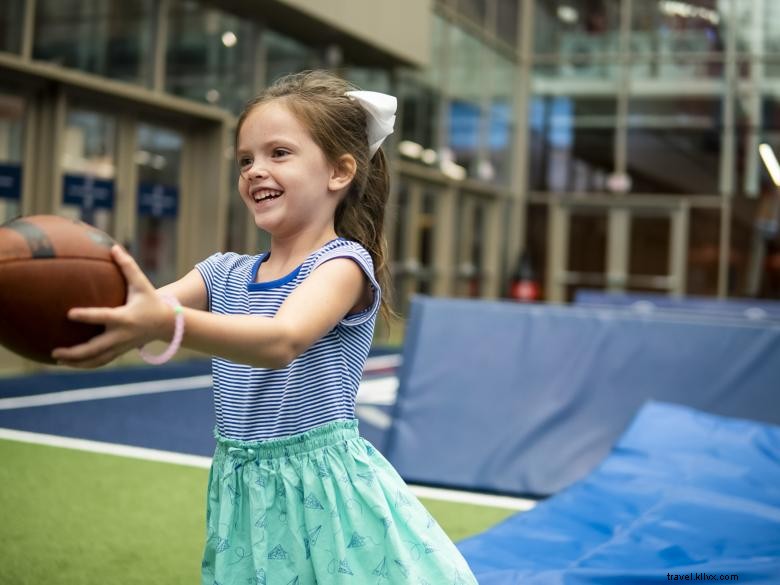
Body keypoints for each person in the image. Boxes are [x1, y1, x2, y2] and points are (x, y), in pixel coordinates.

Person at [53, 70, 478, 584]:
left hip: (323, 489)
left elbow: (282, 341)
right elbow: (137, 309)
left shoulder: (342, 265)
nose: (256, 170)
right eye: (246, 160)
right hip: (242, 487)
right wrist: (82, 315)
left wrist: (164, 321)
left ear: (339, 172)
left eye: (279, 153)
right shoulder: (222, 272)